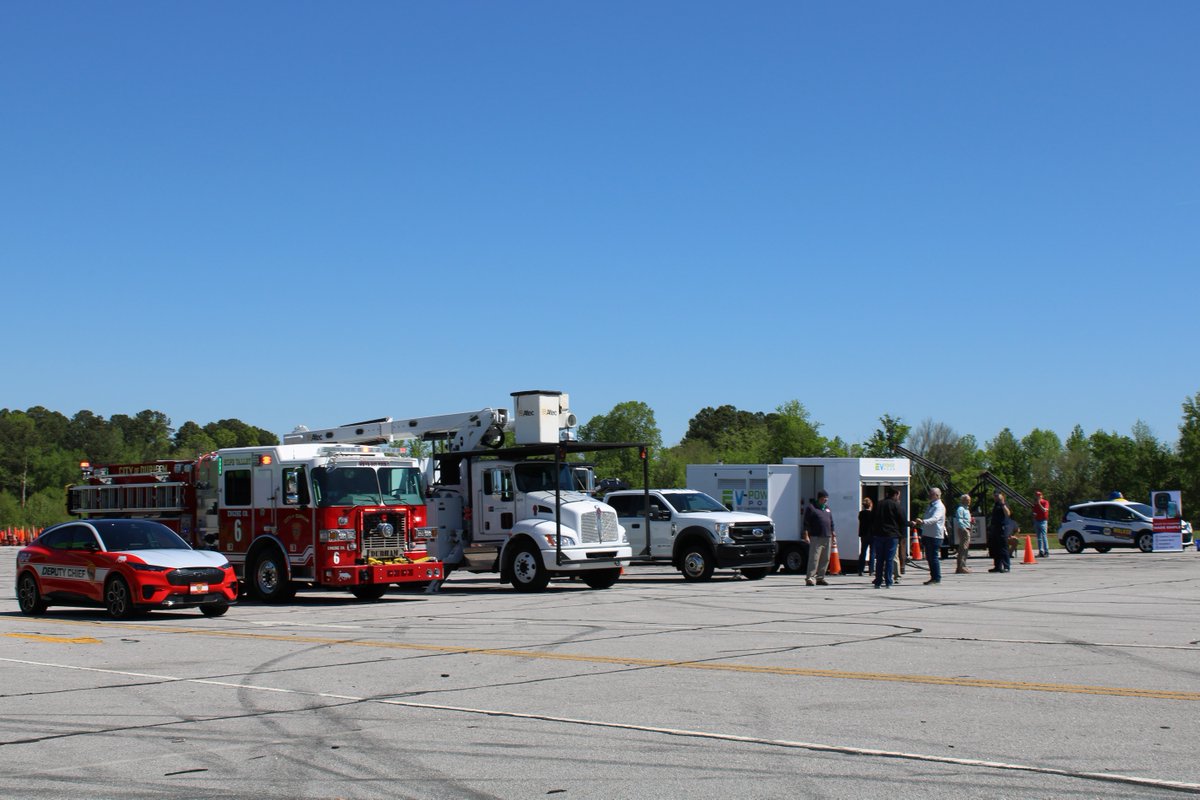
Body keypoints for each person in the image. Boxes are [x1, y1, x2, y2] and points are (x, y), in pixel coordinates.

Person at [872, 486, 907, 588]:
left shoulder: (879, 504)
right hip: (892, 536)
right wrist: (910, 524)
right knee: (889, 559)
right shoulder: (896, 506)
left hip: (879, 535)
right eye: (898, 496)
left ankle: (878, 581)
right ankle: (888, 581)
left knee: (879, 559)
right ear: (895, 495)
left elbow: (872, 518)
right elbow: (902, 521)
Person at [913, 487, 946, 584]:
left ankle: (936, 578)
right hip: (927, 534)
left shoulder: (939, 506)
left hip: (935, 535)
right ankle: (933, 576)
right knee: (929, 557)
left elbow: (935, 518)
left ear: (937, 495)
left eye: (931, 494)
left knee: (933, 557)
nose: (929, 496)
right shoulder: (931, 505)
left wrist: (923, 522)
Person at [803, 490, 835, 586]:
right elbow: (806, 523)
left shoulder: (827, 508)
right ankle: (810, 578)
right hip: (816, 536)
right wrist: (806, 535)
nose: (825, 501)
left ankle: (820, 578)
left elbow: (831, 522)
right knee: (814, 558)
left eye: (826, 499)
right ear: (819, 498)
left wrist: (833, 535)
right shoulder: (811, 508)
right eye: (824, 499)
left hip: (827, 536)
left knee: (825, 558)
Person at [988, 490, 1011, 573]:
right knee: (996, 548)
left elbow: (1008, 514)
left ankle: (1006, 566)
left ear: (1002, 496)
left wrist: (1002, 503)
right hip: (995, 528)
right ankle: (997, 566)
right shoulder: (996, 505)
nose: (995, 497)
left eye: (997, 496)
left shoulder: (1004, 504)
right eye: (995, 496)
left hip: (1002, 528)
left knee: (1003, 548)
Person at [953, 494, 973, 574]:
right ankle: (961, 567)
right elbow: (959, 519)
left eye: (969, 500)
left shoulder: (966, 509)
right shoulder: (961, 509)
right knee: (963, 549)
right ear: (963, 500)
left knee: (964, 548)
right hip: (963, 529)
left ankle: (961, 566)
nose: (969, 502)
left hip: (967, 528)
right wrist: (963, 528)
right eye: (967, 500)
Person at [856, 497, 874, 577]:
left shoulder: (861, 513)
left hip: (863, 534)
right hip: (872, 534)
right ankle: (871, 570)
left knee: (863, 552)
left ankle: (860, 570)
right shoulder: (873, 514)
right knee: (872, 552)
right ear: (870, 505)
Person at [1033, 490, 1051, 557]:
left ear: (1042, 496)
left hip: (1043, 521)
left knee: (1044, 536)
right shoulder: (1035, 504)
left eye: (1039, 495)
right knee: (1039, 537)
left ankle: (1046, 551)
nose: (1038, 497)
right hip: (1037, 521)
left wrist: (1039, 503)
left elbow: (1044, 510)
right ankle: (1041, 551)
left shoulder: (1045, 502)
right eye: (1037, 495)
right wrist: (1034, 520)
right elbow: (1034, 513)